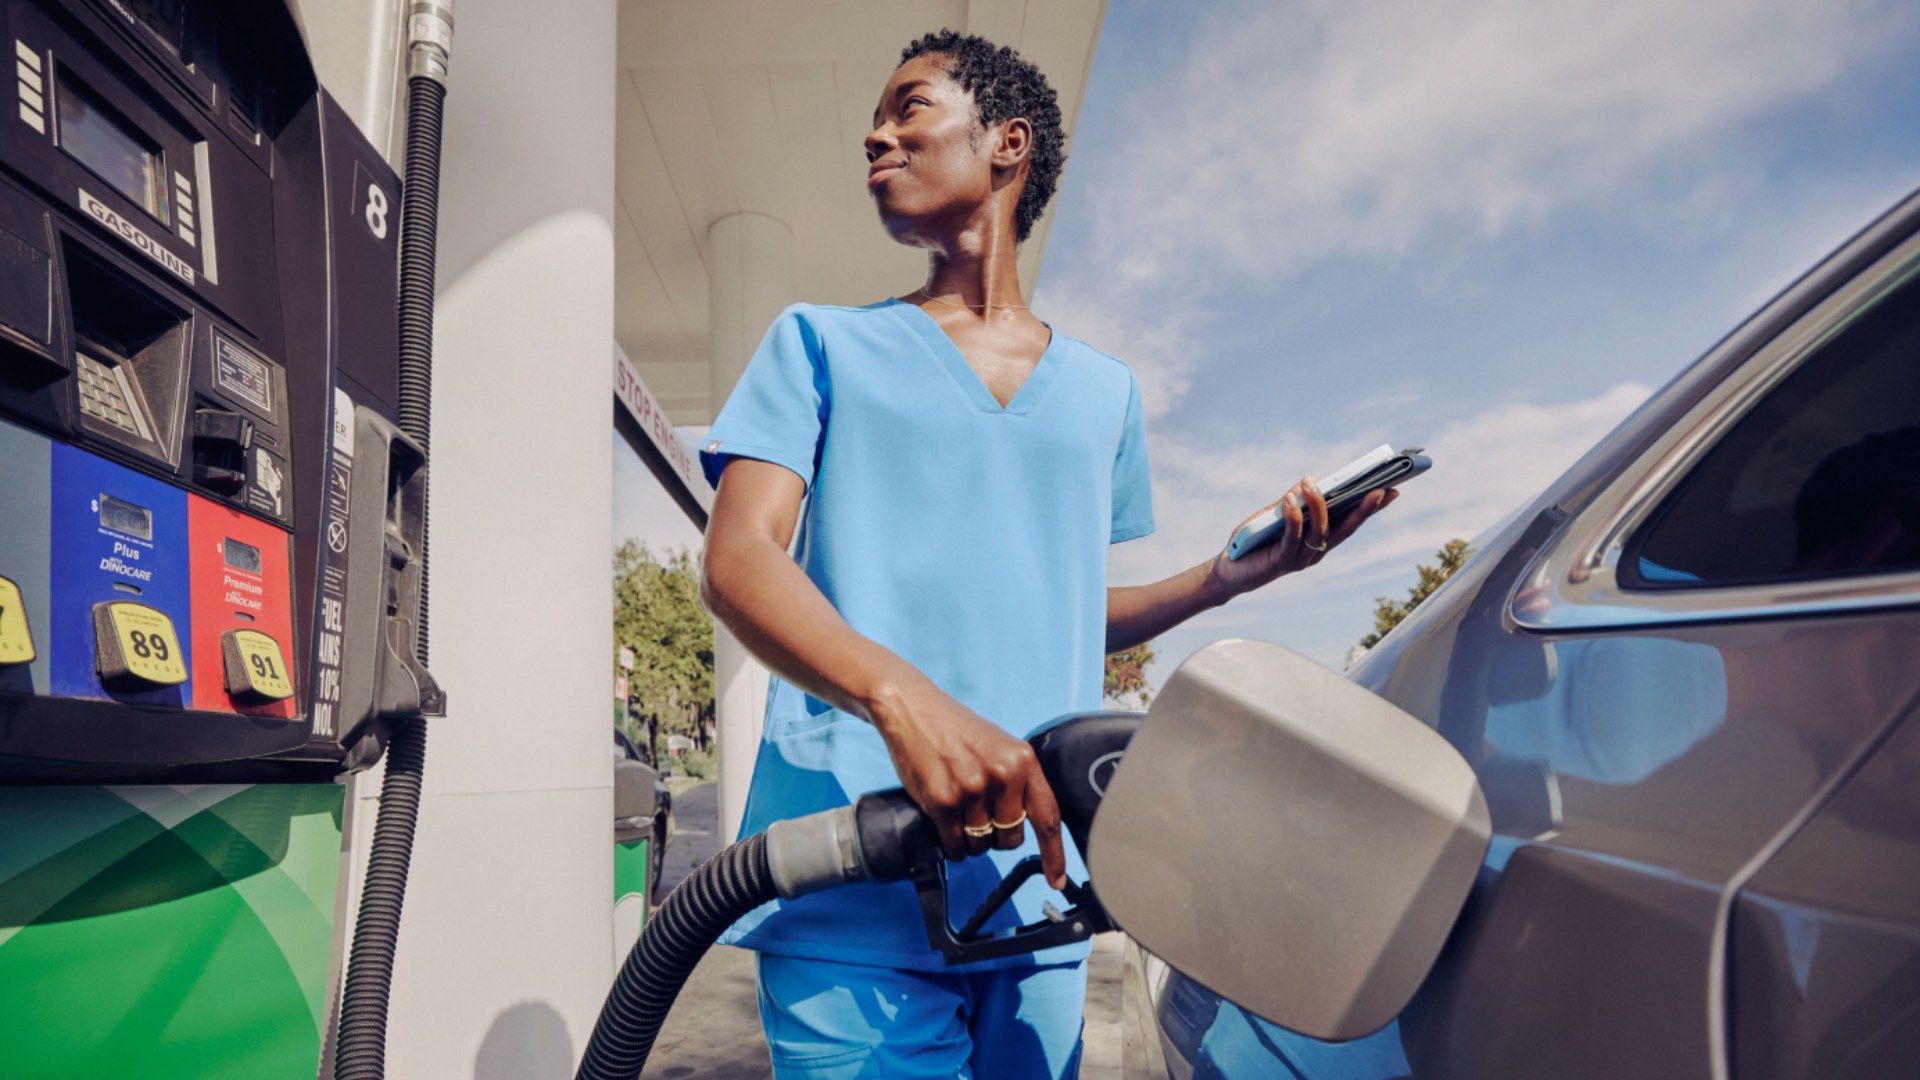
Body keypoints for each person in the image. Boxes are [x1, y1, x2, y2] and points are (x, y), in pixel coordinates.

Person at [697, 28, 1397, 1079]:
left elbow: (1062, 606)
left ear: (1007, 143)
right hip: (853, 868)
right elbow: (741, 557)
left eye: (910, 109)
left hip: (1039, 873)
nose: (875, 135)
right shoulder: (818, 344)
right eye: (876, 124)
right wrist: (902, 697)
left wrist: (1225, 579)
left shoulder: (1105, 392)